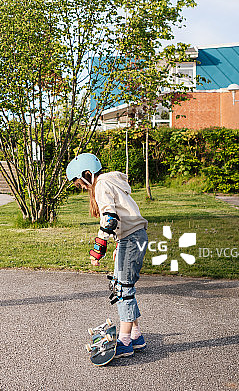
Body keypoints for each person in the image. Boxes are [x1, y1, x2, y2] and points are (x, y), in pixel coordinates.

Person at [66, 153, 148, 358]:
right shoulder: (111, 181)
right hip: (133, 237)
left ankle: (125, 342)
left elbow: (110, 219)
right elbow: (123, 215)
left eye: (80, 183)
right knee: (124, 286)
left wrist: (98, 248)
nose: (83, 187)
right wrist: (120, 243)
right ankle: (136, 336)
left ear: (87, 174)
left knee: (123, 290)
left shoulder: (101, 184)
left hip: (131, 239)